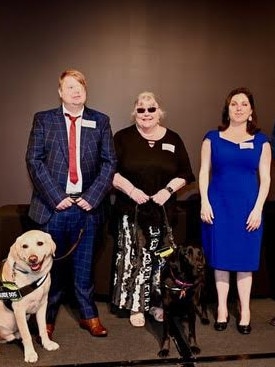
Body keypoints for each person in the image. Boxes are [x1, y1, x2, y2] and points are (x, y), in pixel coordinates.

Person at [26, 69, 117, 338]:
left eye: (80, 87)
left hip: (87, 209)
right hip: (52, 208)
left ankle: (88, 315)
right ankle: (47, 319)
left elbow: (109, 162)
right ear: (60, 92)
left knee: (84, 268)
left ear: (85, 90)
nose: (76, 91)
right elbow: (34, 160)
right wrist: (57, 198)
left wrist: (91, 197)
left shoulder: (100, 121)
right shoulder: (44, 120)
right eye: (70, 87)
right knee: (46, 268)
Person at [111, 91, 195, 327]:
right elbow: (110, 172)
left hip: (163, 212)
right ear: (134, 113)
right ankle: (135, 306)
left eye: (151, 108)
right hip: (131, 210)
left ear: (160, 112)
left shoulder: (174, 139)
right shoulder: (122, 138)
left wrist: (167, 191)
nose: (146, 113)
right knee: (133, 259)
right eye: (141, 109)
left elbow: (186, 174)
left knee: (161, 261)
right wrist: (131, 190)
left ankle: (159, 304)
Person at [199, 87, 271, 335]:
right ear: (227, 109)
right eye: (234, 104)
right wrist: (204, 202)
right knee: (220, 260)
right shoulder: (212, 138)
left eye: (244, 104)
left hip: (248, 208)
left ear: (251, 111)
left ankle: (245, 310)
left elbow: (266, 178)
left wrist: (259, 208)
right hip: (218, 206)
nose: (239, 108)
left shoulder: (262, 141)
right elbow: (203, 173)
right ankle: (221, 309)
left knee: (244, 262)